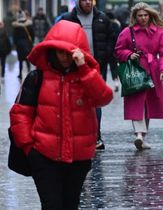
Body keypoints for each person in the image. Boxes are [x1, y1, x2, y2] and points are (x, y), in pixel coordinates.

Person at [9, 20, 113, 210]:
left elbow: (103, 98)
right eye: (60, 52)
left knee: (70, 205)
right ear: (52, 51)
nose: (64, 57)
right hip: (43, 156)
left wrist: (84, 69)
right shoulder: (36, 78)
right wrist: (29, 148)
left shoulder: (86, 77)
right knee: (52, 205)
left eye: (69, 53)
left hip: (78, 159)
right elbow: (20, 114)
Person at [114, 2, 163, 150]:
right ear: (135, 17)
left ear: (150, 15)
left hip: (153, 71)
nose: (143, 18)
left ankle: (142, 136)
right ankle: (139, 134)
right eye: (140, 15)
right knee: (136, 103)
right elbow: (118, 50)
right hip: (135, 71)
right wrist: (128, 54)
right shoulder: (127, 32)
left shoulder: (159, 32)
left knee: (149, 105)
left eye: (145, 15)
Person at [61, 0, 115, 150]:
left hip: (96, 67)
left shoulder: (102, 18)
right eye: (84, 0)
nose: (88, 2)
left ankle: (96, 136)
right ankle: (75, 136)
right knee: (74, 101)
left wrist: (105, 57)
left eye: (90, 0)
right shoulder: (67, 19)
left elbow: (112, 39)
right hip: (74, 67)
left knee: (95, 101)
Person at [12, 10, 34, 80]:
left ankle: (20, 75)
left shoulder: (16, 26)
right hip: (27, 44)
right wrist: (31, 43)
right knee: (28, 58)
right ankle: (29, 72)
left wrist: (16, 44)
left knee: (20, 60)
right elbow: (32, 34)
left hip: (19, 45)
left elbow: (14, 37)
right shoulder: (29, 25)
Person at [106, 11, 121, 92]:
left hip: (106, 49)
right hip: (114, 50)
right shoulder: (117, 25)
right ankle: (116, 83)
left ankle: (103, 85)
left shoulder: (106, 25)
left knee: (103, 68)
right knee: (114, 67)